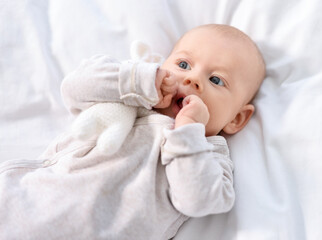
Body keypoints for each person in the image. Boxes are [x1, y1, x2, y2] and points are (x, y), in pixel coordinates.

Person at [0, 24, 265, 240]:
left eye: (216, 80)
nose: (191, 80)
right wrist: (140, 80)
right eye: (183, 64)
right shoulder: (132, 97)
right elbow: (74, 87)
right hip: (30, 203)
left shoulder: (209, 155)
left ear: (237, 119)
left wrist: (188, 131)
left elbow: (198, 200)